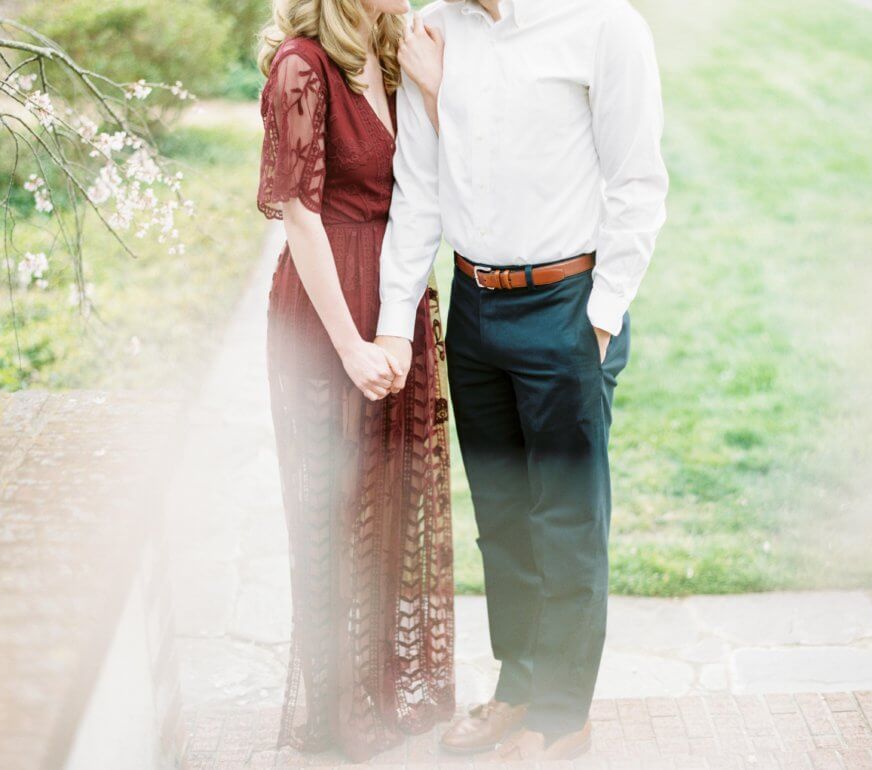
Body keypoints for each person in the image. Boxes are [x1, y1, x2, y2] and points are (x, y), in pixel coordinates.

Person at [376, 0, 669, 761]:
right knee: (503, 517)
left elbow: (637, 182)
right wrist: (391, 321)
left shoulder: (604, 26)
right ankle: (518, 684)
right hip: (476, 311)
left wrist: (598, 324)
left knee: (567, 519)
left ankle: (564, 712)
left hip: (568, 308)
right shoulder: (437, 34)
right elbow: (420, 190)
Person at [255, 0, 454, 761]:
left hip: (396, 294)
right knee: (332, 510)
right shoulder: (303, 66)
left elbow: (440, 171)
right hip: (326, 310)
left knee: (391, 498)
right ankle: (337, 712)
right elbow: (298, 216)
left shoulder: (397, 52)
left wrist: (435, 88)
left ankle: (381, 687)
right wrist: (349, 345)